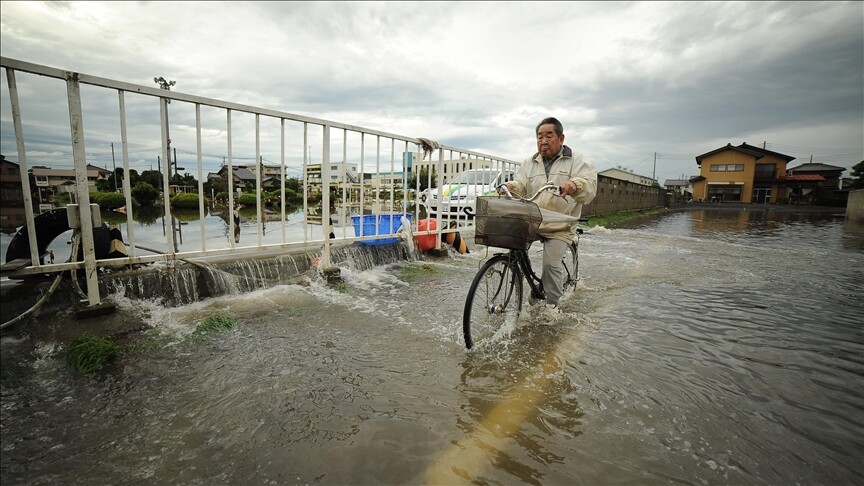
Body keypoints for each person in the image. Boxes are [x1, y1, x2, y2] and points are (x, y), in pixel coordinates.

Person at [504, 117, 597, 312]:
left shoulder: (576, 160)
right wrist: (511, 186)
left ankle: (553, 305)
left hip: (561, 223)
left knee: (550, 265)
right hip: (535, 219)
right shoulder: (530, 162)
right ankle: (534, 284)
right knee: (513, 246)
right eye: (539, 136)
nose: (543, 141)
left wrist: (575, 185)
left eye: (549, 135)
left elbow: (590, 186)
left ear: (561, 138)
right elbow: (520, 184)